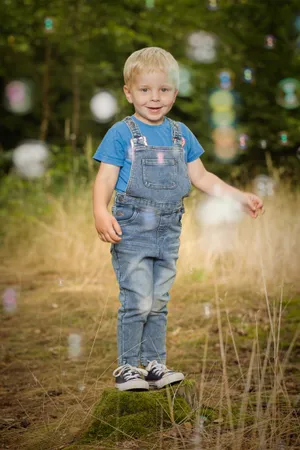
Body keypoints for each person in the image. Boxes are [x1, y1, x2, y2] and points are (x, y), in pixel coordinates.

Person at [92, 47, 264, 392]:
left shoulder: (180, 134)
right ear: (129, 92)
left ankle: (155, 364)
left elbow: (202, 178)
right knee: (136, 296)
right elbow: (106, 178)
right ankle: (127, 366)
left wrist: (237, 195)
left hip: (169, 229)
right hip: (132, 227)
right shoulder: (121, 133)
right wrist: (99, 210)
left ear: (175, 91)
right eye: (145, 90)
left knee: (158, 299)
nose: (155, 98)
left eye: (164, 90)